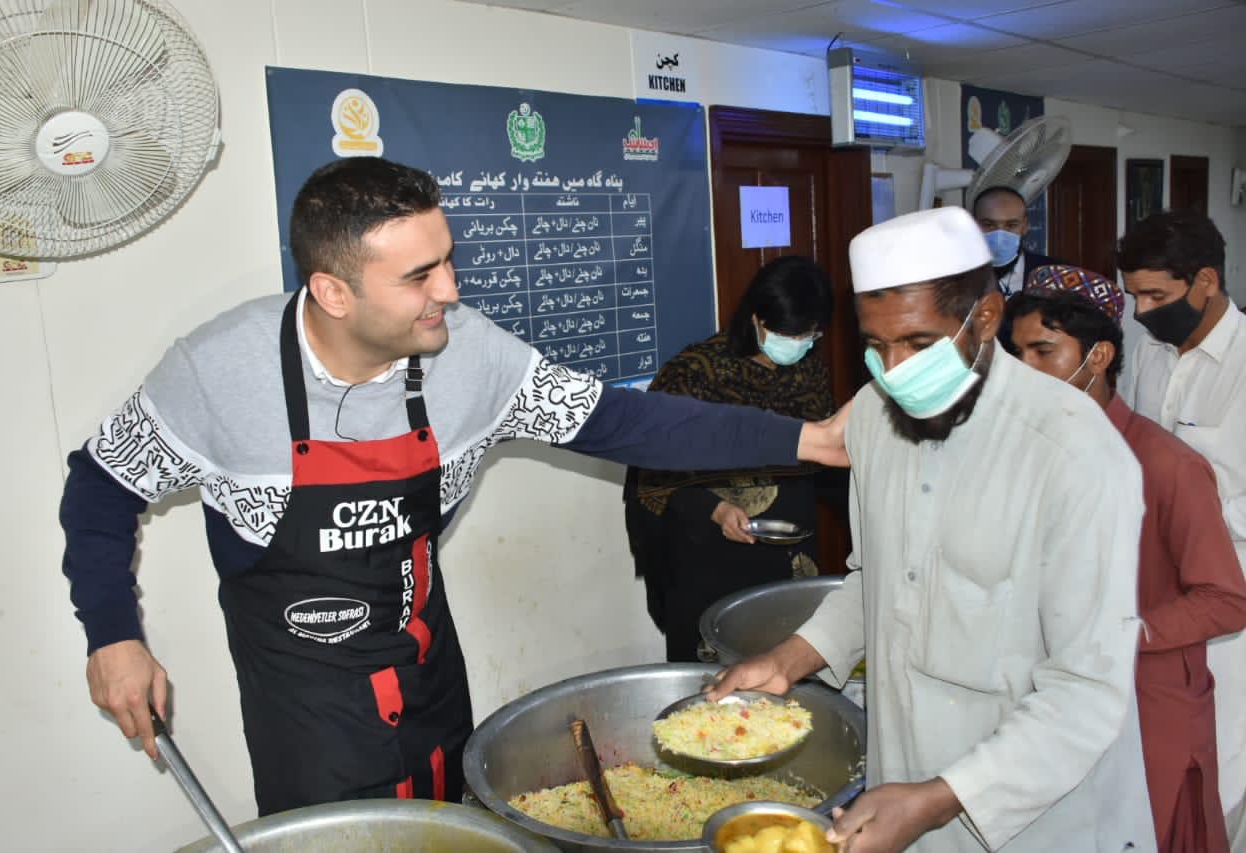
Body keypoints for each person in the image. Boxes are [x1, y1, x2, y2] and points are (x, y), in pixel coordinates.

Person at [58, 158, 850, 816]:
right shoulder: (218, 371)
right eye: (420, 274)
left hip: (430, 670)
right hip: (306, 704)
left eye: (448, 258)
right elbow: (101, 482)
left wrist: (808, 439)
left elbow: (626, 422)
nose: (451, 290)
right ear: (335, 292)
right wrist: (112, 633)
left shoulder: (470, 355)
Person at [711, 206, 1155, 852]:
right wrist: (789, 659)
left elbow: (1086, 689)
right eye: (876, 344)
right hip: (904, 791)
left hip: (1035, 814)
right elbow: (876, 580)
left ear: (985, 317)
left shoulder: (1072, 450)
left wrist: (940, 797)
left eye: (919, 343)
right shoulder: (873, 415)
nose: (894, 368)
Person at [1009, 264, 1246, 852]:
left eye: (1044, 352)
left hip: (1147, 702)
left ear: (1098, 357)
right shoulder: (1024, 454)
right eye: (1016, 355)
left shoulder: (1165, 464)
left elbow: (1227, 600)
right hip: (1051, 694)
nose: (1025, 372)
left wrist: (1120, 633)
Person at [624, 255, 846, 662]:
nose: (798, 345)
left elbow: (827, 460)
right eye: (787, 333)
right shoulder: (696, 372)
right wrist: (715, 510)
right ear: (757, 319)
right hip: (710, 555)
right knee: (713, 684)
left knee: (787, 675)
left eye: (809, 336)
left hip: (788, 552)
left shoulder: (809, 373)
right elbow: (653, 471)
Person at [1118, 209, 1246, 850]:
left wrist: (1188, 505)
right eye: (1135, 294)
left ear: (1207, 281)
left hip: (1231, 607)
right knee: (1157, 778)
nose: (1142, 311)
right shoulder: (1147, 352)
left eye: (1157, 296)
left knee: (1220, 783)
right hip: (1156, 596)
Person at [971, 185, 1061, 296]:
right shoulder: (955, 277)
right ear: (973, 225)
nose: (1000, 235)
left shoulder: (1056, 274)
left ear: (1025, 226)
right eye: (988, 224)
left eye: (1011, 225)